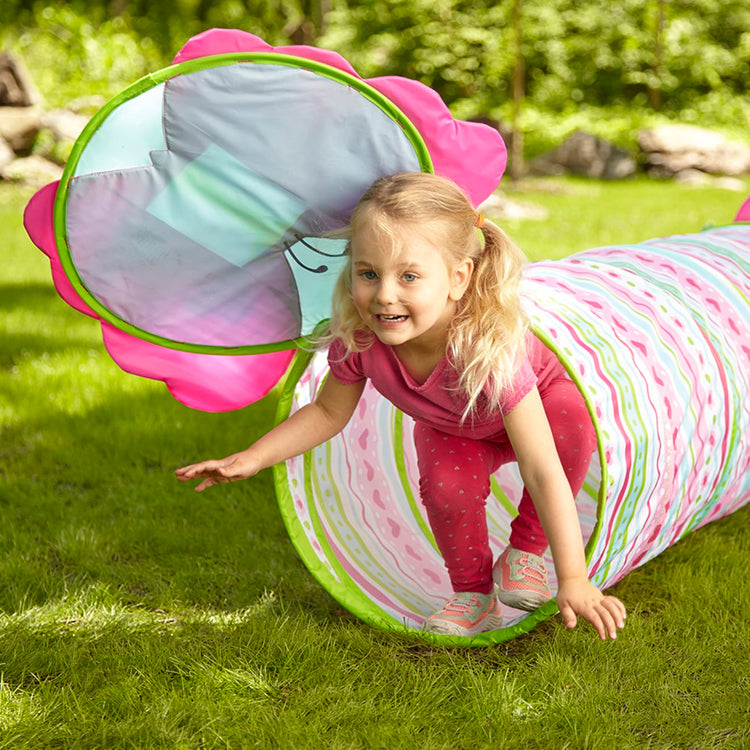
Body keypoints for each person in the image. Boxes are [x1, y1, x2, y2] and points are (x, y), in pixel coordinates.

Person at [176, 172, 627, 640]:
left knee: (571, 423)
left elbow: (542, 470)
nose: (385, 294)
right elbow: (328, 413)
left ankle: (525, 552)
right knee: (445, 485)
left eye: (409, 276)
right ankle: (473, 595)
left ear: (457, 279)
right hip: (454, 428)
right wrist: (253, 457)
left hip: (538, 412)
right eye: (369, 273)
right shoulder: (362, 340)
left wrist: (573, 578)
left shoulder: (488, 349)